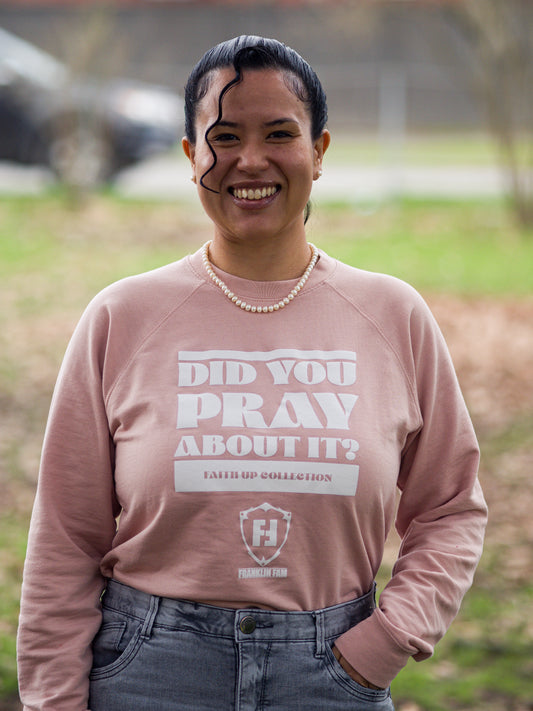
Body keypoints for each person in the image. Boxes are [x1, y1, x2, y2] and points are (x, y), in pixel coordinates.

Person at [17, 35, 487, 711]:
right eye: (224, 136)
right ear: (190, 156)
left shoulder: (392, 315)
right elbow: (66, 537)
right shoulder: (122, 316)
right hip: (149, 672)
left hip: (331, 675)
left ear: (319, 152)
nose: (251, 159)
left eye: (279, 133)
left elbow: (449, 506)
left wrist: (389, 638)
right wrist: (54, 699)